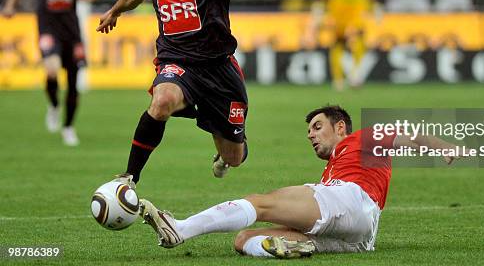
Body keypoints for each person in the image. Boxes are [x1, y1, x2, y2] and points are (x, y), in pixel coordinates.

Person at [138, 105, 460, 259]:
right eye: (309, 132)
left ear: (341, 128)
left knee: (262, 202)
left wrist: (445, 147)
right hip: (360, 236)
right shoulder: (336, 165)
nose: (312, 135)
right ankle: (288, 249)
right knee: (244, 239)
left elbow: (405, 136)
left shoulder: (363, 138)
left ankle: (180, 229)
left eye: (318, 127)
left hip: (350, 199)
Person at [96, 0, 249, 184]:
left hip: (218, 66)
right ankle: (129, 177)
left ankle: (225, 151)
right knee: (162, 100)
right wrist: (115, 10)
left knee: (233, 157)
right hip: (177, 61)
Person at [1, 0, 102, 146]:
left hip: (72, 31)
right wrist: (10, 5)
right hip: (47, 28)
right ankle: (55, 105)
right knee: (52, 69)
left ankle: (68, 127)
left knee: (74, 81)